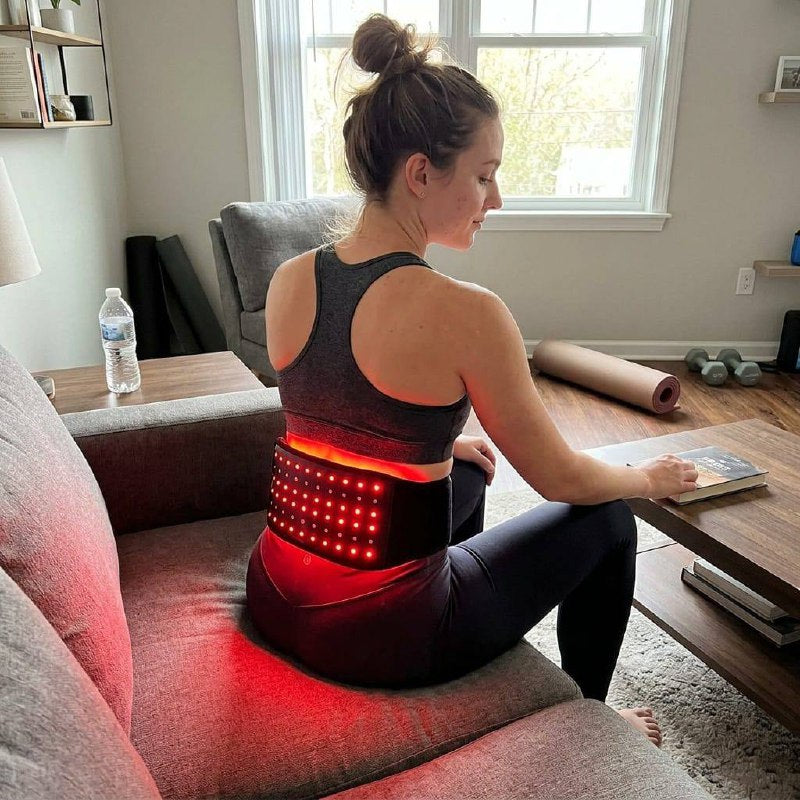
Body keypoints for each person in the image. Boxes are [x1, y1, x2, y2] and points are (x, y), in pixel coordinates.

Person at [246, 13, 698, 749]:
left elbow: (329, 416)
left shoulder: (292, 278)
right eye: (484, 176)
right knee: (611, 518)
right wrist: (645, 476)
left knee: (475, 470)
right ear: (421, 173)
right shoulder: (468, 313)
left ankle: (460, 640)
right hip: (376, 640)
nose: (497, 199)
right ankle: (592, 718)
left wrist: (432, 451)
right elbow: (561, 480)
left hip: (275, 595)